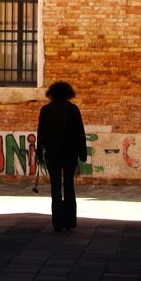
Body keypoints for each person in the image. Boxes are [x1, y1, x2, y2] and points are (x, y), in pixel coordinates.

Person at [36, 80, 87, 231]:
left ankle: (58, 222)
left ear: (51, 93)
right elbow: (80, 132)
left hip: (52, 153)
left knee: (55, 187)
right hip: (70, 153)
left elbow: (41, 133)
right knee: (69, 185)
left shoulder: (46, 110)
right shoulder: (73, 109)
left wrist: (39, 153)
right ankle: (70, 221)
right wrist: (82, 153)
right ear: (68, 94)